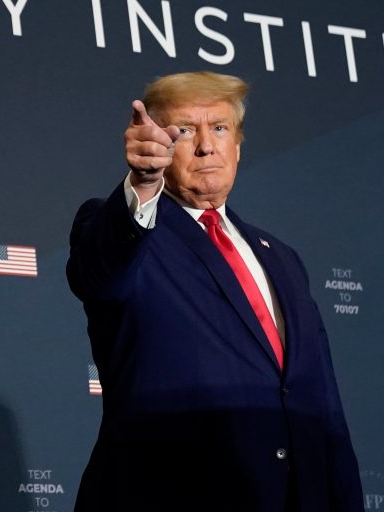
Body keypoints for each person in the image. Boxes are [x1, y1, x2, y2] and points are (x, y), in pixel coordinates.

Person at [66, 71, 364, 512]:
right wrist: (142, 186)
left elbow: (324, 409)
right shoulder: (127, 229)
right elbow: (100, 275)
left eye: (220, 128)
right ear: (159, 145)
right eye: (185, 131)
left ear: (238, 146)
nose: (206, 146)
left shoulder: (281, 257)